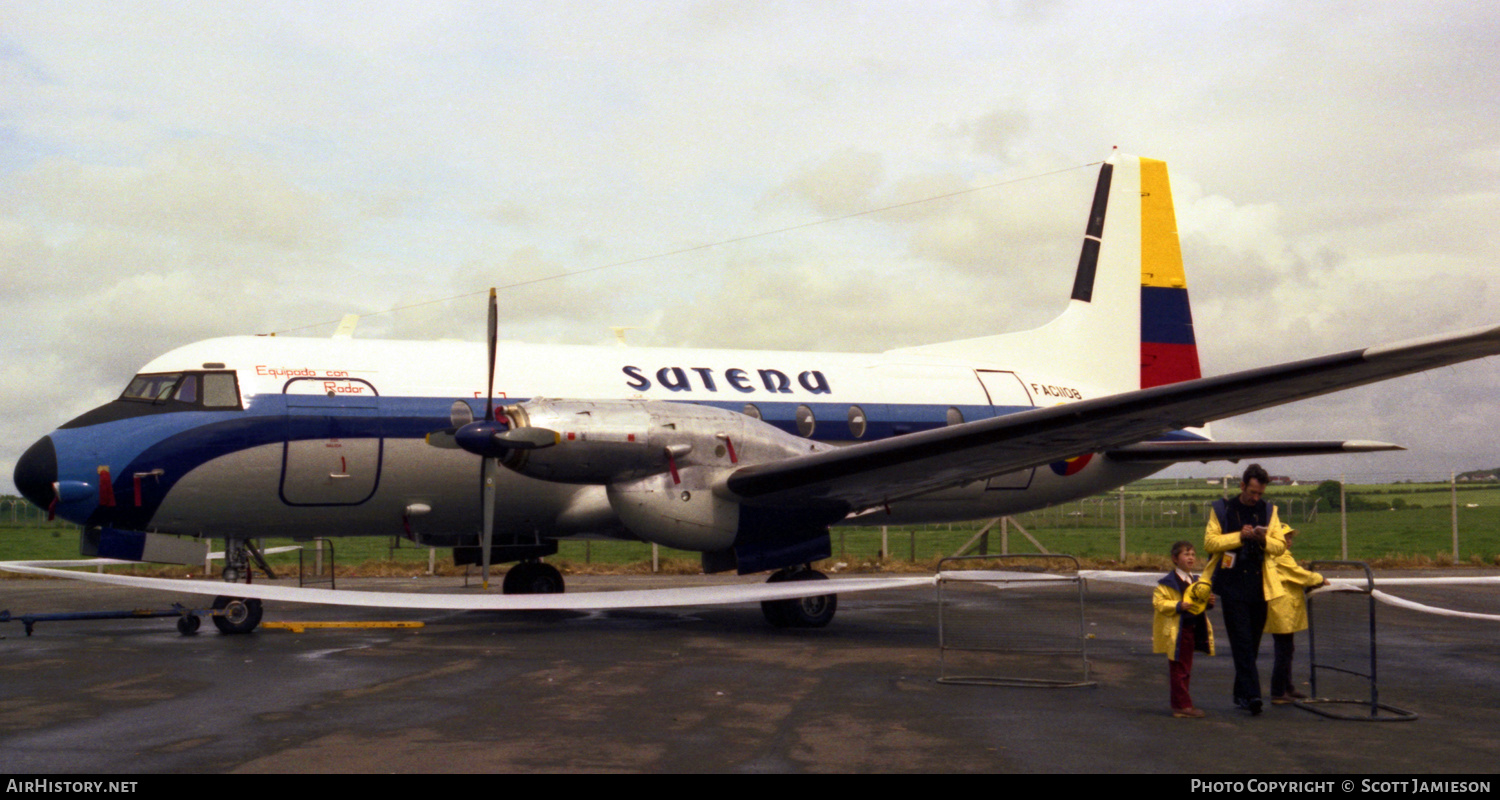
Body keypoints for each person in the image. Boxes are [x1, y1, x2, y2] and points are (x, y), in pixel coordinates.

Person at [1204, 463, 1288, 715]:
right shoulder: (1221, 509)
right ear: (1242, 486)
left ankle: (1241, 693)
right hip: (1231, 584)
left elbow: (1280, 546)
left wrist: (1263, 538)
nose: (1256, 498)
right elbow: (1209, 542)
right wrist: (1238, 536)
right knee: (1241, 641)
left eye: (1260, 493)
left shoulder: (1269, 511)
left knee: (1251, 643)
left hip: (1260, 585)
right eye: (1252, 492)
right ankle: (1252, 695)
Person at [1266, 529, 1329, 703]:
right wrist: (1319, 578)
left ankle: (1287, 687)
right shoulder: (1280, 556)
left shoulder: (1280, 554)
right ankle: (1278, 691)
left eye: (1290, 537)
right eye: (1285, 537)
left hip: (1285, 607)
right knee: (1284, 650)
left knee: (1287, 649)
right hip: (1281, 607)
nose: (1289, 541)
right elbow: (1298, 574)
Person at [1154, 540, 1214, 718]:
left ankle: (1181, 703)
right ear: (1175, 558)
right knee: (1179, 668)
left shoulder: (1196, 581)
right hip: (1178, 631)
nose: (1191, 558)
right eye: (1186, 554)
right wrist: (1178, 605)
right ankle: (1182, 706)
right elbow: (1159, 603)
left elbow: (1199, 605)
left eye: (1193, 554)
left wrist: (1208, 603)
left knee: (1185, 667)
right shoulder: (1167, 583)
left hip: (1193, 629)